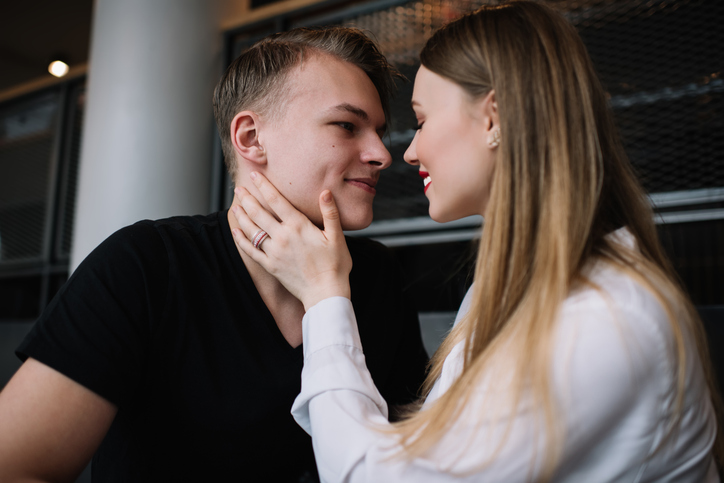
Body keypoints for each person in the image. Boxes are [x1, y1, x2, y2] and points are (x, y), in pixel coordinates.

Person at [230, 2, 723, 481]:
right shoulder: (513, 287)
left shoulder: (603, 318)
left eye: (420, 121)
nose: (404, 152)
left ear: (494, 116)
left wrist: (324, 297)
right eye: (347, 125)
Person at [0, 27, 428, 482]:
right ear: (250, 138)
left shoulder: (380, 277)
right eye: (347, 125)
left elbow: (410, 462)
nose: (383, 153)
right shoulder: (145, 266)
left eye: (379, 132)